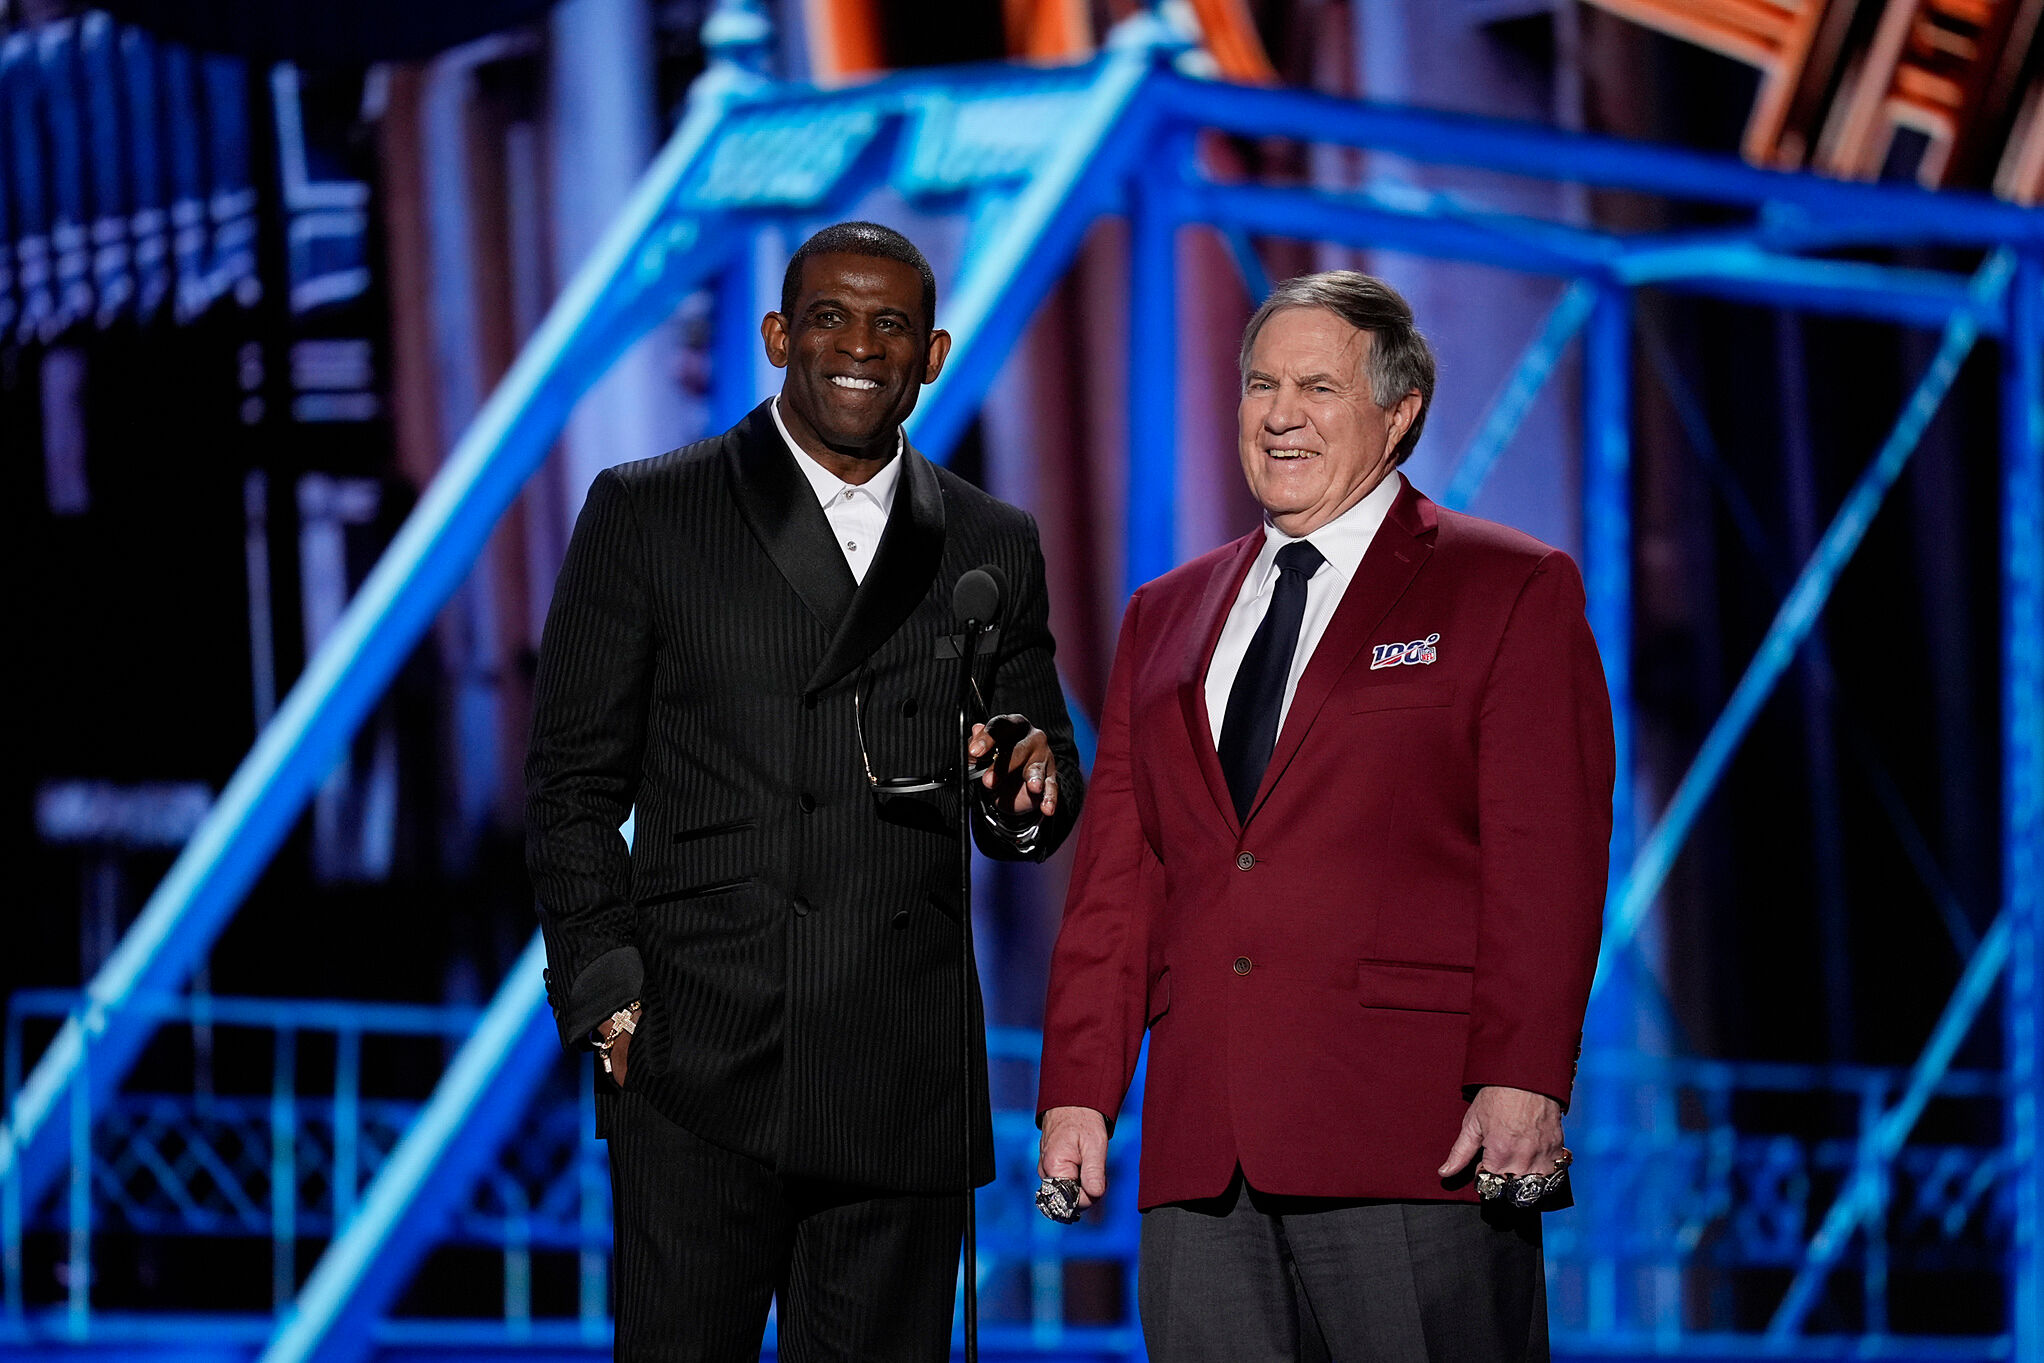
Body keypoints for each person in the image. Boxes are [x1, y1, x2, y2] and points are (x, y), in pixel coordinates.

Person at [526, 220, 1084, 1361]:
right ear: (780, 334)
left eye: (890, 326)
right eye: (829, 316)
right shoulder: (650, 510)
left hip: (898, 1064)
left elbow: (1036, 767)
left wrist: (1029, 782)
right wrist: (609, 996)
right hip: (699, 1060)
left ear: (931, 355)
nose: (858, 348)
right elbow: (571, 780)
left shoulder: (991, 539)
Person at [1035, 271, 1612, 1362]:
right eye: (1259, 385)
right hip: (1204, 1160)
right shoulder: (1163, 614)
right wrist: (1077, 1092)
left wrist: (1526, 1076)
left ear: (1399, 415)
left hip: (1414, 1140)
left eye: (1316, 387)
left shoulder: (1507, 587)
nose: (1279, 414)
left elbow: (1550, 859)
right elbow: (1120, 880)